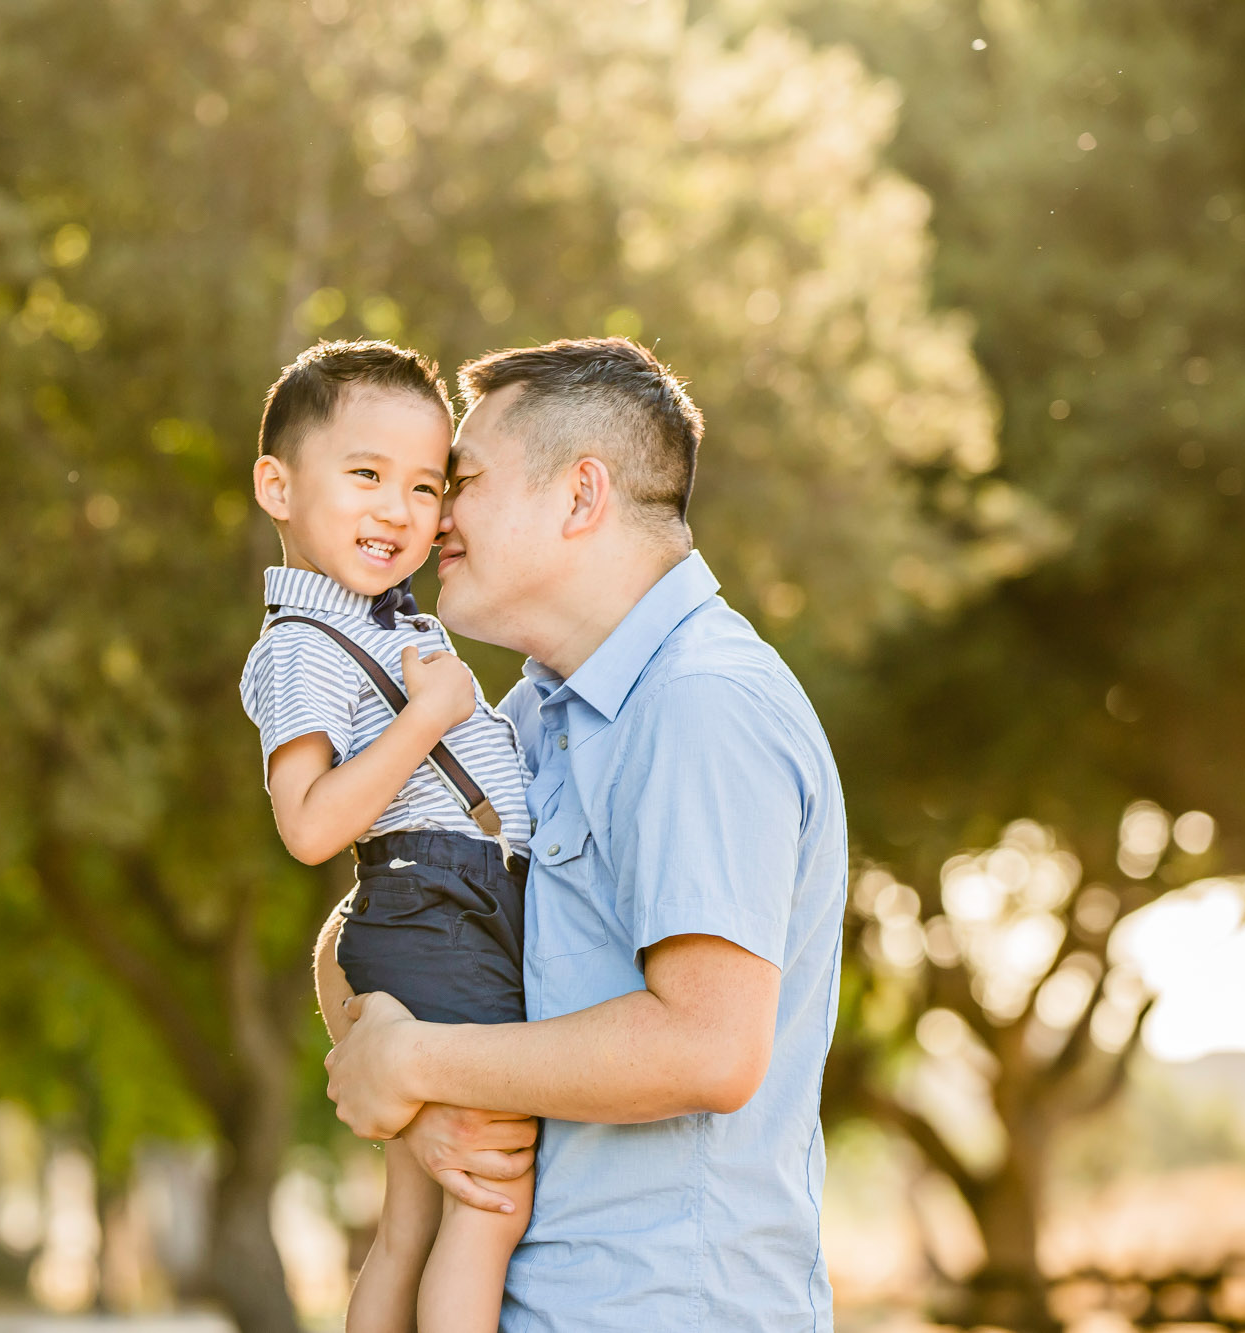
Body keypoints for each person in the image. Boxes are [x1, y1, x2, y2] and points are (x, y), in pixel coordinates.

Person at [316, 337, 849, 1331]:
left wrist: (424, 1062)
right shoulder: (522, 721)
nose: (430, 520)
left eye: (459, 482)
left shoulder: (701, 705)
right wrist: (406, 1071)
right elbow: (372, 923)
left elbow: (706, 1047)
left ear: (579, 496)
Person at [239, 340, 537, 1332]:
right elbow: (309, 825)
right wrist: (427, 715)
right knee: (491, 1199)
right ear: (277, 486)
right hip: (434, 904)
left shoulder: (387, 624)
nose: (398, 508)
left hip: (449, 903)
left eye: (423, 485)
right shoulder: (299, 647)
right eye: (364, 475)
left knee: (411, 1220)